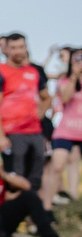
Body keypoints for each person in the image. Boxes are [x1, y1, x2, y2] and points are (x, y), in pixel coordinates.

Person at [0, 34, 53, 196]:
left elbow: (46, 97)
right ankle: (14, 218)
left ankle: (35, 215)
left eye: (21, 47)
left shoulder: (33, 72)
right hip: (12, 133)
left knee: (36, 177)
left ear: (26, 48)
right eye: (14, 47)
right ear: (7, 49)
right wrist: (0, 136)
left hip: (35, 132)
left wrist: (41, 112)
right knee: (14, 179)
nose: (18, 51)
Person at [49, 47, 82, 209]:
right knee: (57, 164)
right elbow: (66, 97)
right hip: (65, 130)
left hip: (80, 132)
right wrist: (75, 76)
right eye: (77, 59)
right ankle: (50, 197)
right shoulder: (65, 80)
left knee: (74, 164)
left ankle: (73, 198)